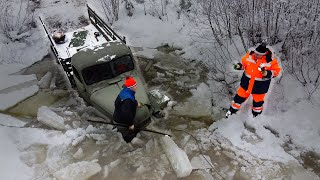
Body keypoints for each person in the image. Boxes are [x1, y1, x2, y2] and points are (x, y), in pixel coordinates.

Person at [226, 43, 281, 118]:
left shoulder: (271, 60)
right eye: (255, 53)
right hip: (246, 84)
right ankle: (230, 112)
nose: (255, 55)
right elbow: (243, 65)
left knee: (257, 103)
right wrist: (239, 66)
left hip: (260, 87)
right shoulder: (249, 56)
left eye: (258, 54)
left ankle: (256, 117)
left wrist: (267, 73)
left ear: (263, 54)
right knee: (238, 99)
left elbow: (276, 71)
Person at [113, 76, 140, 142]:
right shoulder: (127, 99)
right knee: (128, 137)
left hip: (119, 114)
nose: (137, 87)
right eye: (135, 86)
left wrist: (136, 103)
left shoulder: (125, 91)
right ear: (130, 87)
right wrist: (130, 124)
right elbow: (126, 114)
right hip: (122, 121)